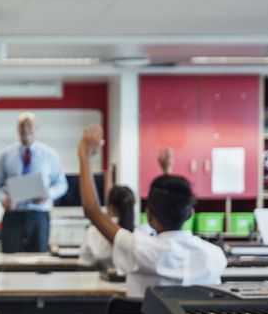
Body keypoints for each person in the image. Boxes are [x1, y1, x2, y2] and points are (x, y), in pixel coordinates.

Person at [77, 125, 227, 299]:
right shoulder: (215, 256)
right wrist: (167, 171)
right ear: (190, 213)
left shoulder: (140, 249)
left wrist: (84, 156)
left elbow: (92, 210)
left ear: (149, 216)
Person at [0, 112, 68, 252]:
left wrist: (48, 194)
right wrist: (4, 200)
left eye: (29, 125)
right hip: (13, 215)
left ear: (37, 127)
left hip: (38, 215)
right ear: (17, 128)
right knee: (9, 259)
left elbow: (62, 184)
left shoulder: (50, 154)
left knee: (39, 260)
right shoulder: (6, 155)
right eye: (22, 125)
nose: (25, 129)